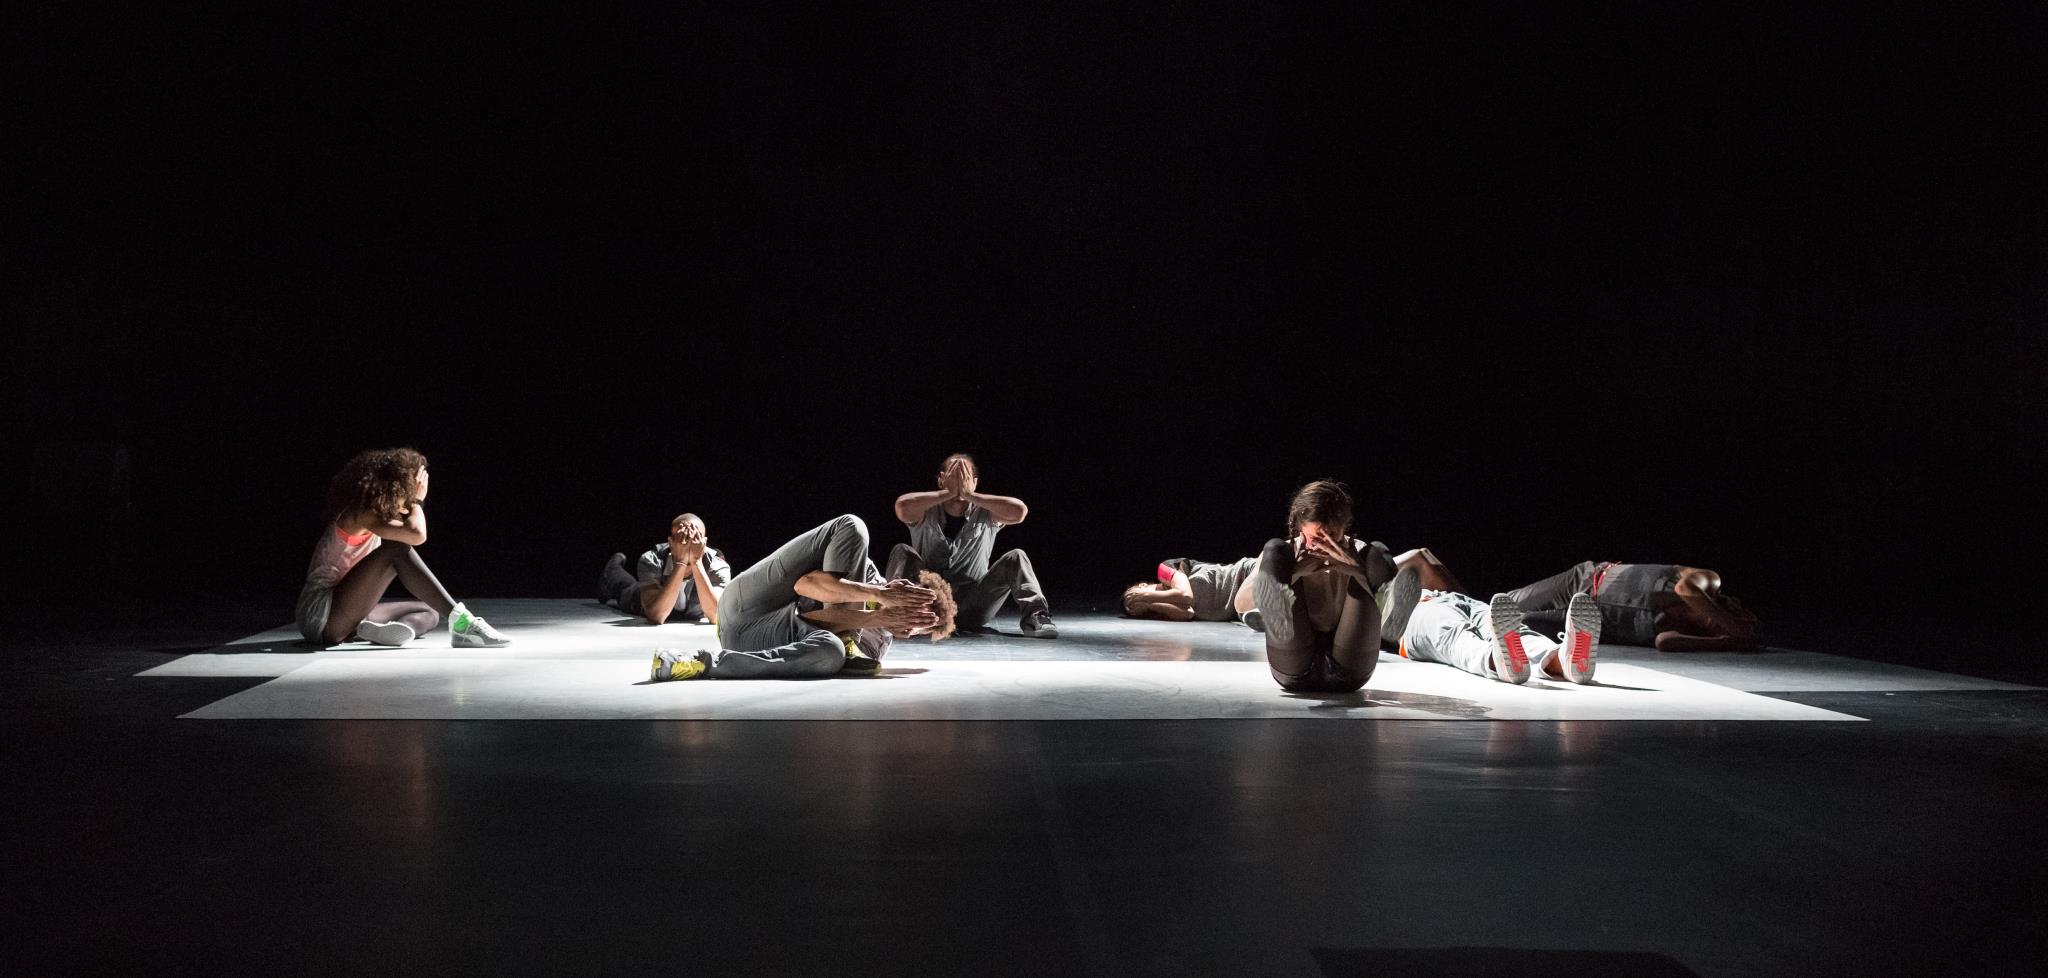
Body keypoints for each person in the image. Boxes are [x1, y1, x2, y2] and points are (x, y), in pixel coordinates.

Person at [650, 515, 957, 681]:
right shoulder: (865, 568)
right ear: (903, 586)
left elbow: (807, 620)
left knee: (832, 653)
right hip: (747, 604)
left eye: (922, 627)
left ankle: (700, 665)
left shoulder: (875, 648)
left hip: (756, 638)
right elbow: (805, 585)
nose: (913, 623)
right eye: (917, 610)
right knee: (853, 526)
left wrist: (874, 619)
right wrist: (878, 596)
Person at [294, 448, 510, 648]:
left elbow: (414, 532)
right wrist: (417, 501)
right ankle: (464, 624)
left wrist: (413, 501)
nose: (406, 504)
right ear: (394, 488)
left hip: (345, 614)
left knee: (429, 611)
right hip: (321, 615)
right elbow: (417, 535)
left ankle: (380, 632)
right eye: (407, 492)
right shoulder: (361, 514)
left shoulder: (375, 519)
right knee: (396, 549)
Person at [885, 453, 1056, 638]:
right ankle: (894, 615)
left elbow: (1019, 511)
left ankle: (1036, 615)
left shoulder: (986, 511)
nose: (959, 480)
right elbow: (902, 507)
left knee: (1016, 556)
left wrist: (969, 495)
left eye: (964, 475)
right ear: (941, 479)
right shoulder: (925, 510)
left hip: (974, 604)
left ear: (974, 481)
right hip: (930, 603)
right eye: (953, 474)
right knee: (902, 550)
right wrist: (948, 493)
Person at [1250, 480, 1398, 693]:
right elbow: (1242, 602)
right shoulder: (1284, 556)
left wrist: (1357, 571)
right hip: (1293, 663)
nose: (1324, 544)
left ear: (1344, 527)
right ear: (1300, 527)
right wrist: (1296, 572)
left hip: (1350, 665)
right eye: (1316, 538)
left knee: (1377, 552)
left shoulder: (1360, 552)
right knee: (1274, 548)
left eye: (1333, 536)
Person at [1506, 561, 1760, 652]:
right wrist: (1735, 628)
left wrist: (1724, 641)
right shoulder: (1707, 580)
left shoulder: (1691, 630)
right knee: (1508, 602)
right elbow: (1686, 590)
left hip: (1590, 619)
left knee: (1520, 622)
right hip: (1585, 580)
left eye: (1718, 627)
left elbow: (1664, 641)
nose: (1714, 623)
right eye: (1723, 617)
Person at [1391, 589, 1602, 685]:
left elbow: (1421, 557)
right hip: (1412, 614)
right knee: (1457, 636)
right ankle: (1496, 660)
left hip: (1452, 597)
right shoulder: (1366, 582)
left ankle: (1561, 661)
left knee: (1516, 632)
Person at [597, 513, 733, 625]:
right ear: (670, 542)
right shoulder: (652, 559)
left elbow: (715, 616)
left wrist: (696, 562)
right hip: (639, 601)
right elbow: (656, 616)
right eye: (682, 539)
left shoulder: (717, 565)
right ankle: (612, 567)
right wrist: (681, 562)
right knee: (622, 586)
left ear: (704, 543)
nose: (688, 543)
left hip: (692, 608)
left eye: (694, 538)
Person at [1120, 557, 1258, 623]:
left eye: (1133, 595)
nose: (1135, 600)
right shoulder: (1163, 605)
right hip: (1241, 605)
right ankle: (1263, 613)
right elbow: (1187, 613)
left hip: (1245, 574)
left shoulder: (1165, 569)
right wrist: (1150, 604)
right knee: (1253, 611)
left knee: (1270, 551)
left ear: (1142, 585)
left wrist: (1146, 596)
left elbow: (1186, 595)